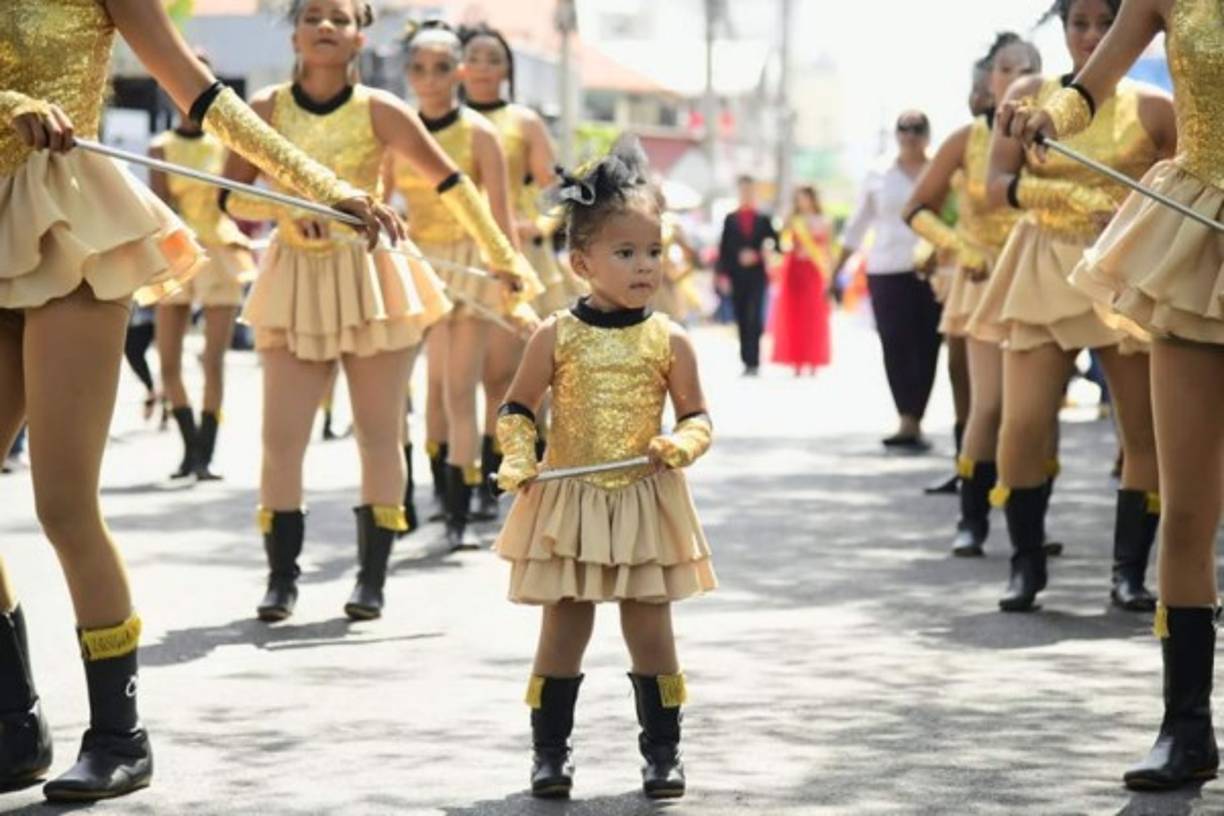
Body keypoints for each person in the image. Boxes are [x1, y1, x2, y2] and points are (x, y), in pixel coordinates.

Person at [0, 0, 394, 801]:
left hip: (68, 219)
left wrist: (321, 184)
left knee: (62, 502)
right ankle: (14, 723)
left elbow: (203, 95)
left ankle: (119, 736)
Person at [222, 1, 533, 622]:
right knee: (281, 439)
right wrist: (288, 212)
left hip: (371, 280)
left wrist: (506, 260)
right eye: (312, 16)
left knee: (377, 433)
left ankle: (371, 579)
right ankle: (281, 578)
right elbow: (230, 197)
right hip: (294, 282)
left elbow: (454, 184)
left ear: (360, 34)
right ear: (296, 32)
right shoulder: (264, 109)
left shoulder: (382, 112)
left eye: (339, 18)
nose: (325, 28)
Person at [1006, 0, 1224, 792]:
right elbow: (1086, 88)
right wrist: (1049, 113)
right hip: (1196, 237)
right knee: (1189, 506)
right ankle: (1186, 727)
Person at [492, 140, 716, 800]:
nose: (645, 265)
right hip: (572, 502)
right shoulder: (555, 333)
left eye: (653, 251)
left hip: (645, 498)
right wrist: (516, 453)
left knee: (650, 626)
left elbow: (698, 417)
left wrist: (682, 445)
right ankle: (550, 752)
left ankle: (663, 751)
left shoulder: (669, 338)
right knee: (565, 622)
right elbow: (518, 406)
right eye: (626, 253)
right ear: (583, 261)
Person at [970, 0, 1175, 612]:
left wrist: (1134, 211)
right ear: (1062, 30)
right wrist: (1073, 201)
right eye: (1078, 23)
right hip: (1043, 270)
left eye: (1104, 23)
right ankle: (1025, 564)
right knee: (1023, 424)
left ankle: (1128, 572)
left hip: (1123, 276)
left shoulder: (1156, 106)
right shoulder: (1031, 95)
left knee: (1143, 432)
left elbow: (1182, 181)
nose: (1090, 36)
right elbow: (994, 189)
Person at [386, 20, 538, 550]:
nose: (430, 79)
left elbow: (500, 214)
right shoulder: (397, 128)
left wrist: (512, 273)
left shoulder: (480, 133)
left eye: (442, 67)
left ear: (460, 71)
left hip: (472, 264)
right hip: (417, 263)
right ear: (407, 72)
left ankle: (461, 507)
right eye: (419, 68)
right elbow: (380, 199)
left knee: (459, 386)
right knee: (427, 391)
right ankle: (433, 496)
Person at [903, 33, 1042, 552]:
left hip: (1037, 279)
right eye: (1008, 69)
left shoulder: (1052, 137)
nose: (1019, 77)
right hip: (980, 281)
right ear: (988, 82)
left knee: (1034, 413)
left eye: (1030, 68)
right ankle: (973, 517)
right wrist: (959, 248)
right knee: (987, 406)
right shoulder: (966, 138)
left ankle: (1031, 528)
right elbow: (916, 210)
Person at [458, 22, 570, 522]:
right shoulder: (439, 121)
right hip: (459, 257)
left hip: (519, 258)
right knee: (465, 377)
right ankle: (467, 477)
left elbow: (558, 192)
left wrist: (536, 226)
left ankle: (513, 470)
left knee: (512, 374)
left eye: (492, 58)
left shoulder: (523, 122)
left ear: (507, 68)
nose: (482, 66)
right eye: (473, 57)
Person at [149, 50, 255, 481]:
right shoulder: (160, 148)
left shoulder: (226, 145)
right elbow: (160, 208)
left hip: (220, 253)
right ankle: (190, 448)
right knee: (168, 362)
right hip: (176, 253)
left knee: (213, 359)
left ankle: (205, 455)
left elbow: (238, 200)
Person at [838, 111, 939, 450]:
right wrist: (834, 270)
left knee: (927, 344)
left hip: (932, 270)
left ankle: (916, 418)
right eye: (903, 130)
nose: (910, 136)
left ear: (927, 134)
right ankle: (905, 418)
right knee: (894, 342)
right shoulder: (878, 173)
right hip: (886, 269)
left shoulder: (942, 168)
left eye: (917, 130)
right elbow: (857, 223)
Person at [717, 175, 778, 376]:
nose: (746, 194)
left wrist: (759, 255)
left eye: (749, 190)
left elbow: (776, 245)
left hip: (757, 275)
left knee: (755, 316)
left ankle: (755, 358)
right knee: (742, 315)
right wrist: (723, 275)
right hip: (737, 275)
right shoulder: (730, 218)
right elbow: (724, 250)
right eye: (743, 190)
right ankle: (746, 360)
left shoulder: (764, 218)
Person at [769, 185, 832, 375]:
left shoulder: (824, 220)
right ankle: (796, 361)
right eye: (799, 199)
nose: (802, 202)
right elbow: (781, 241)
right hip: (793, 270)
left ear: (813, 199)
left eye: (805, 198)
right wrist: (787, 218)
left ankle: (813, 360)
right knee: (794, 315)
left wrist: (830, 274)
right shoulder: (793, 220)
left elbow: (827, 249)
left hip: (814, 271)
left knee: (813, 315)